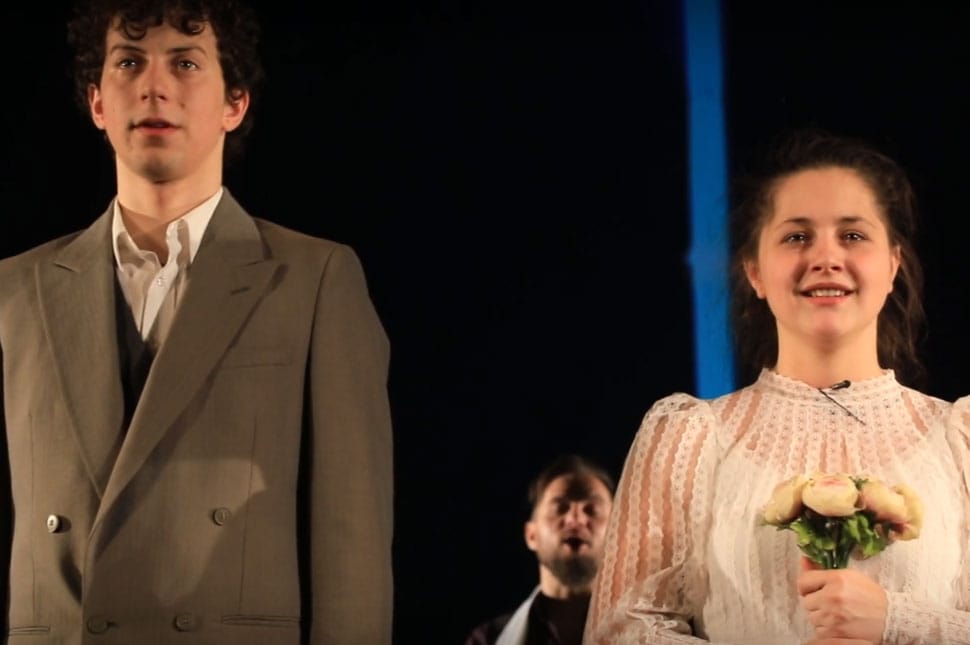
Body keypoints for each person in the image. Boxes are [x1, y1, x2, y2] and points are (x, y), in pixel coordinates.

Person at [0, 1, 392, 643]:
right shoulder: (16, 290)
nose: (154, 86)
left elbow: (353, 543)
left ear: (234, 104)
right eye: (129, 62)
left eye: (184, 63)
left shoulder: (314, 279)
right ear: (97, 102)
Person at [584, 130, 970, 644]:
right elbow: (621, 630)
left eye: (853, 235)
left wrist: (896, 621)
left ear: (893, 265)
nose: (826, 257)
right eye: (796, 237)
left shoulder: (960, 440)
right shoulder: (687, 439)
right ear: (755, 272)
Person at [467, 454, 615, 645]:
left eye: (592, 510)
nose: (575, 520)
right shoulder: (488, 639)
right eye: (560, 508)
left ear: (618, 534)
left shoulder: (649, 633)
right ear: (531, 535)